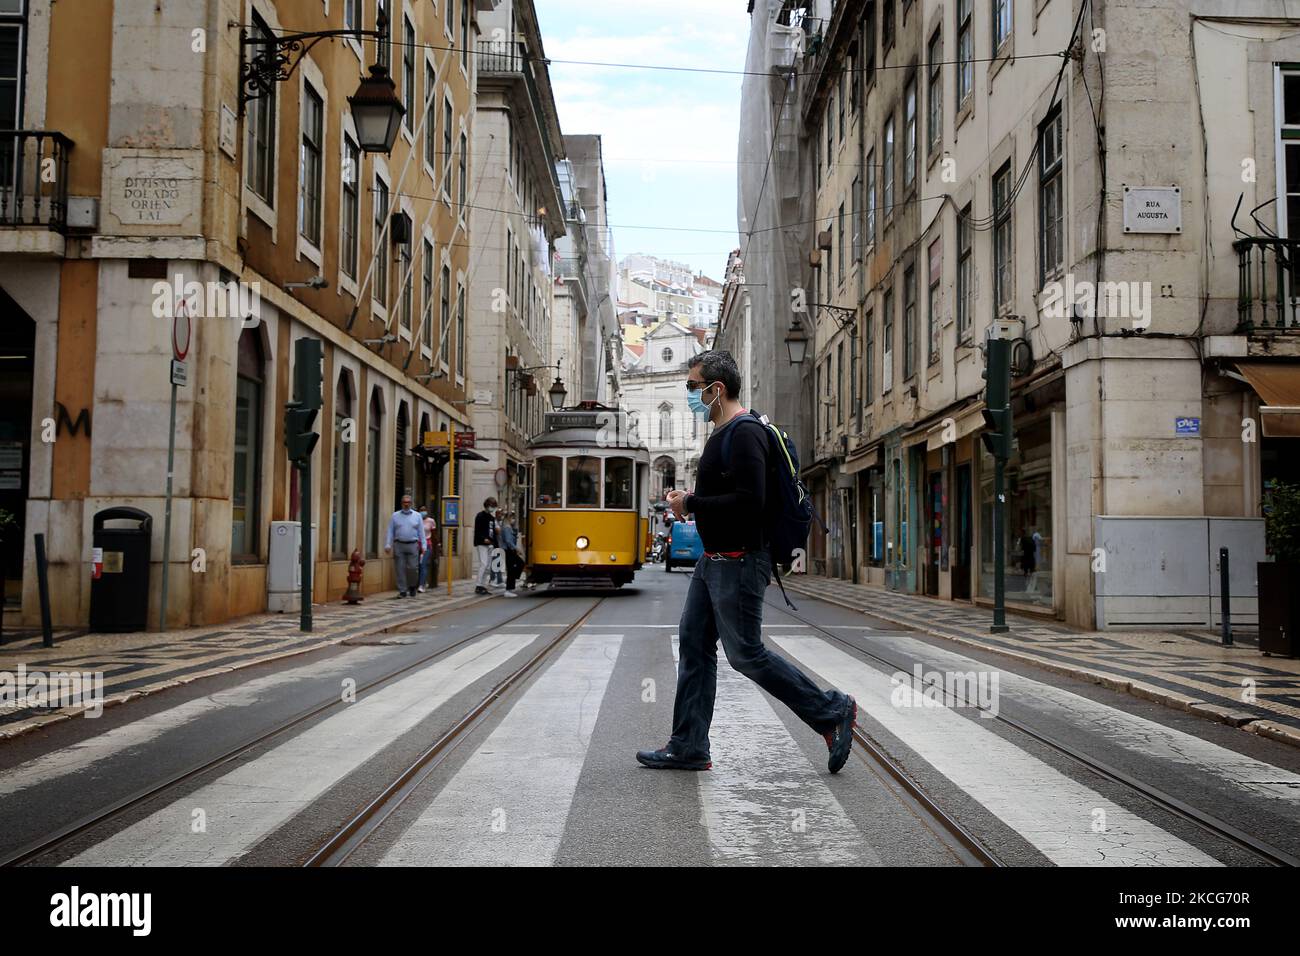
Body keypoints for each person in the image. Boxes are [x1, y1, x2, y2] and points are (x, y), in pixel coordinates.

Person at [636, 350, 857, 774]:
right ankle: (688, 745)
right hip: (714, 561)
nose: (690, 395)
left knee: (746, 654)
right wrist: (695, 505)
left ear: (716, 389)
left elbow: (751, 502)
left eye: (693, 387)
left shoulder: (743, 434)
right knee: (695, 646)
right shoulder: (724, 432)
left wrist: (693, 502)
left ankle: (831, 710)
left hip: (738, 560)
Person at [384, 494, 426, 598]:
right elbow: (390, 531)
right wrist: (388, 544)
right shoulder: (395, 516)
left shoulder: (417, 516)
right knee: (400, 568)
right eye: (404, 502)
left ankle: (412, 586)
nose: (406, 504)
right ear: (401, 503)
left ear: (411, 503)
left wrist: (424, 545)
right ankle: (402, 590)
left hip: (413, 544)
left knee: (413, 568)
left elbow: (421, 532)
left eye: (408, 502)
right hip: (399, 544)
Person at [473, 497, 499, 595]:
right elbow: (478, 530)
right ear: (487, 505)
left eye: (494, 506)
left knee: (488, 566)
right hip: (482, 544)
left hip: (490, 544)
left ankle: (483, 585)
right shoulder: (480, 516)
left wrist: (494, 543)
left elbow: (494, 531)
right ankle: (478, 585)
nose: (492, 508)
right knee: (483, 564)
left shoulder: (492, 518)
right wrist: (483, 539)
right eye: (491, 506)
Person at [499, 512, 523, 597]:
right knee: (512, 568)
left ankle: (511, 581)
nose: (514, 520)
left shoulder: (509, 528)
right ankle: (508, 589)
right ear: (508, 519)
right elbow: (508, 541)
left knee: (518, 565)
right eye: (512, 518)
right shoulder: (506, 528)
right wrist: (517, 549)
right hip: (508, 550)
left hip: (510, 550)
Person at [418, 506, 439, 593]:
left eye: (424, 510)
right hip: (416, 544)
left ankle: (421, 585)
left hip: (427, 544)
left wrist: (436, 546)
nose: (423, 512)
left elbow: (434, 534)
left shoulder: (431, 521)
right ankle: (419, 582)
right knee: (416, 565)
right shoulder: (416, 520)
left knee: (423, 564)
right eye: (421, 510)